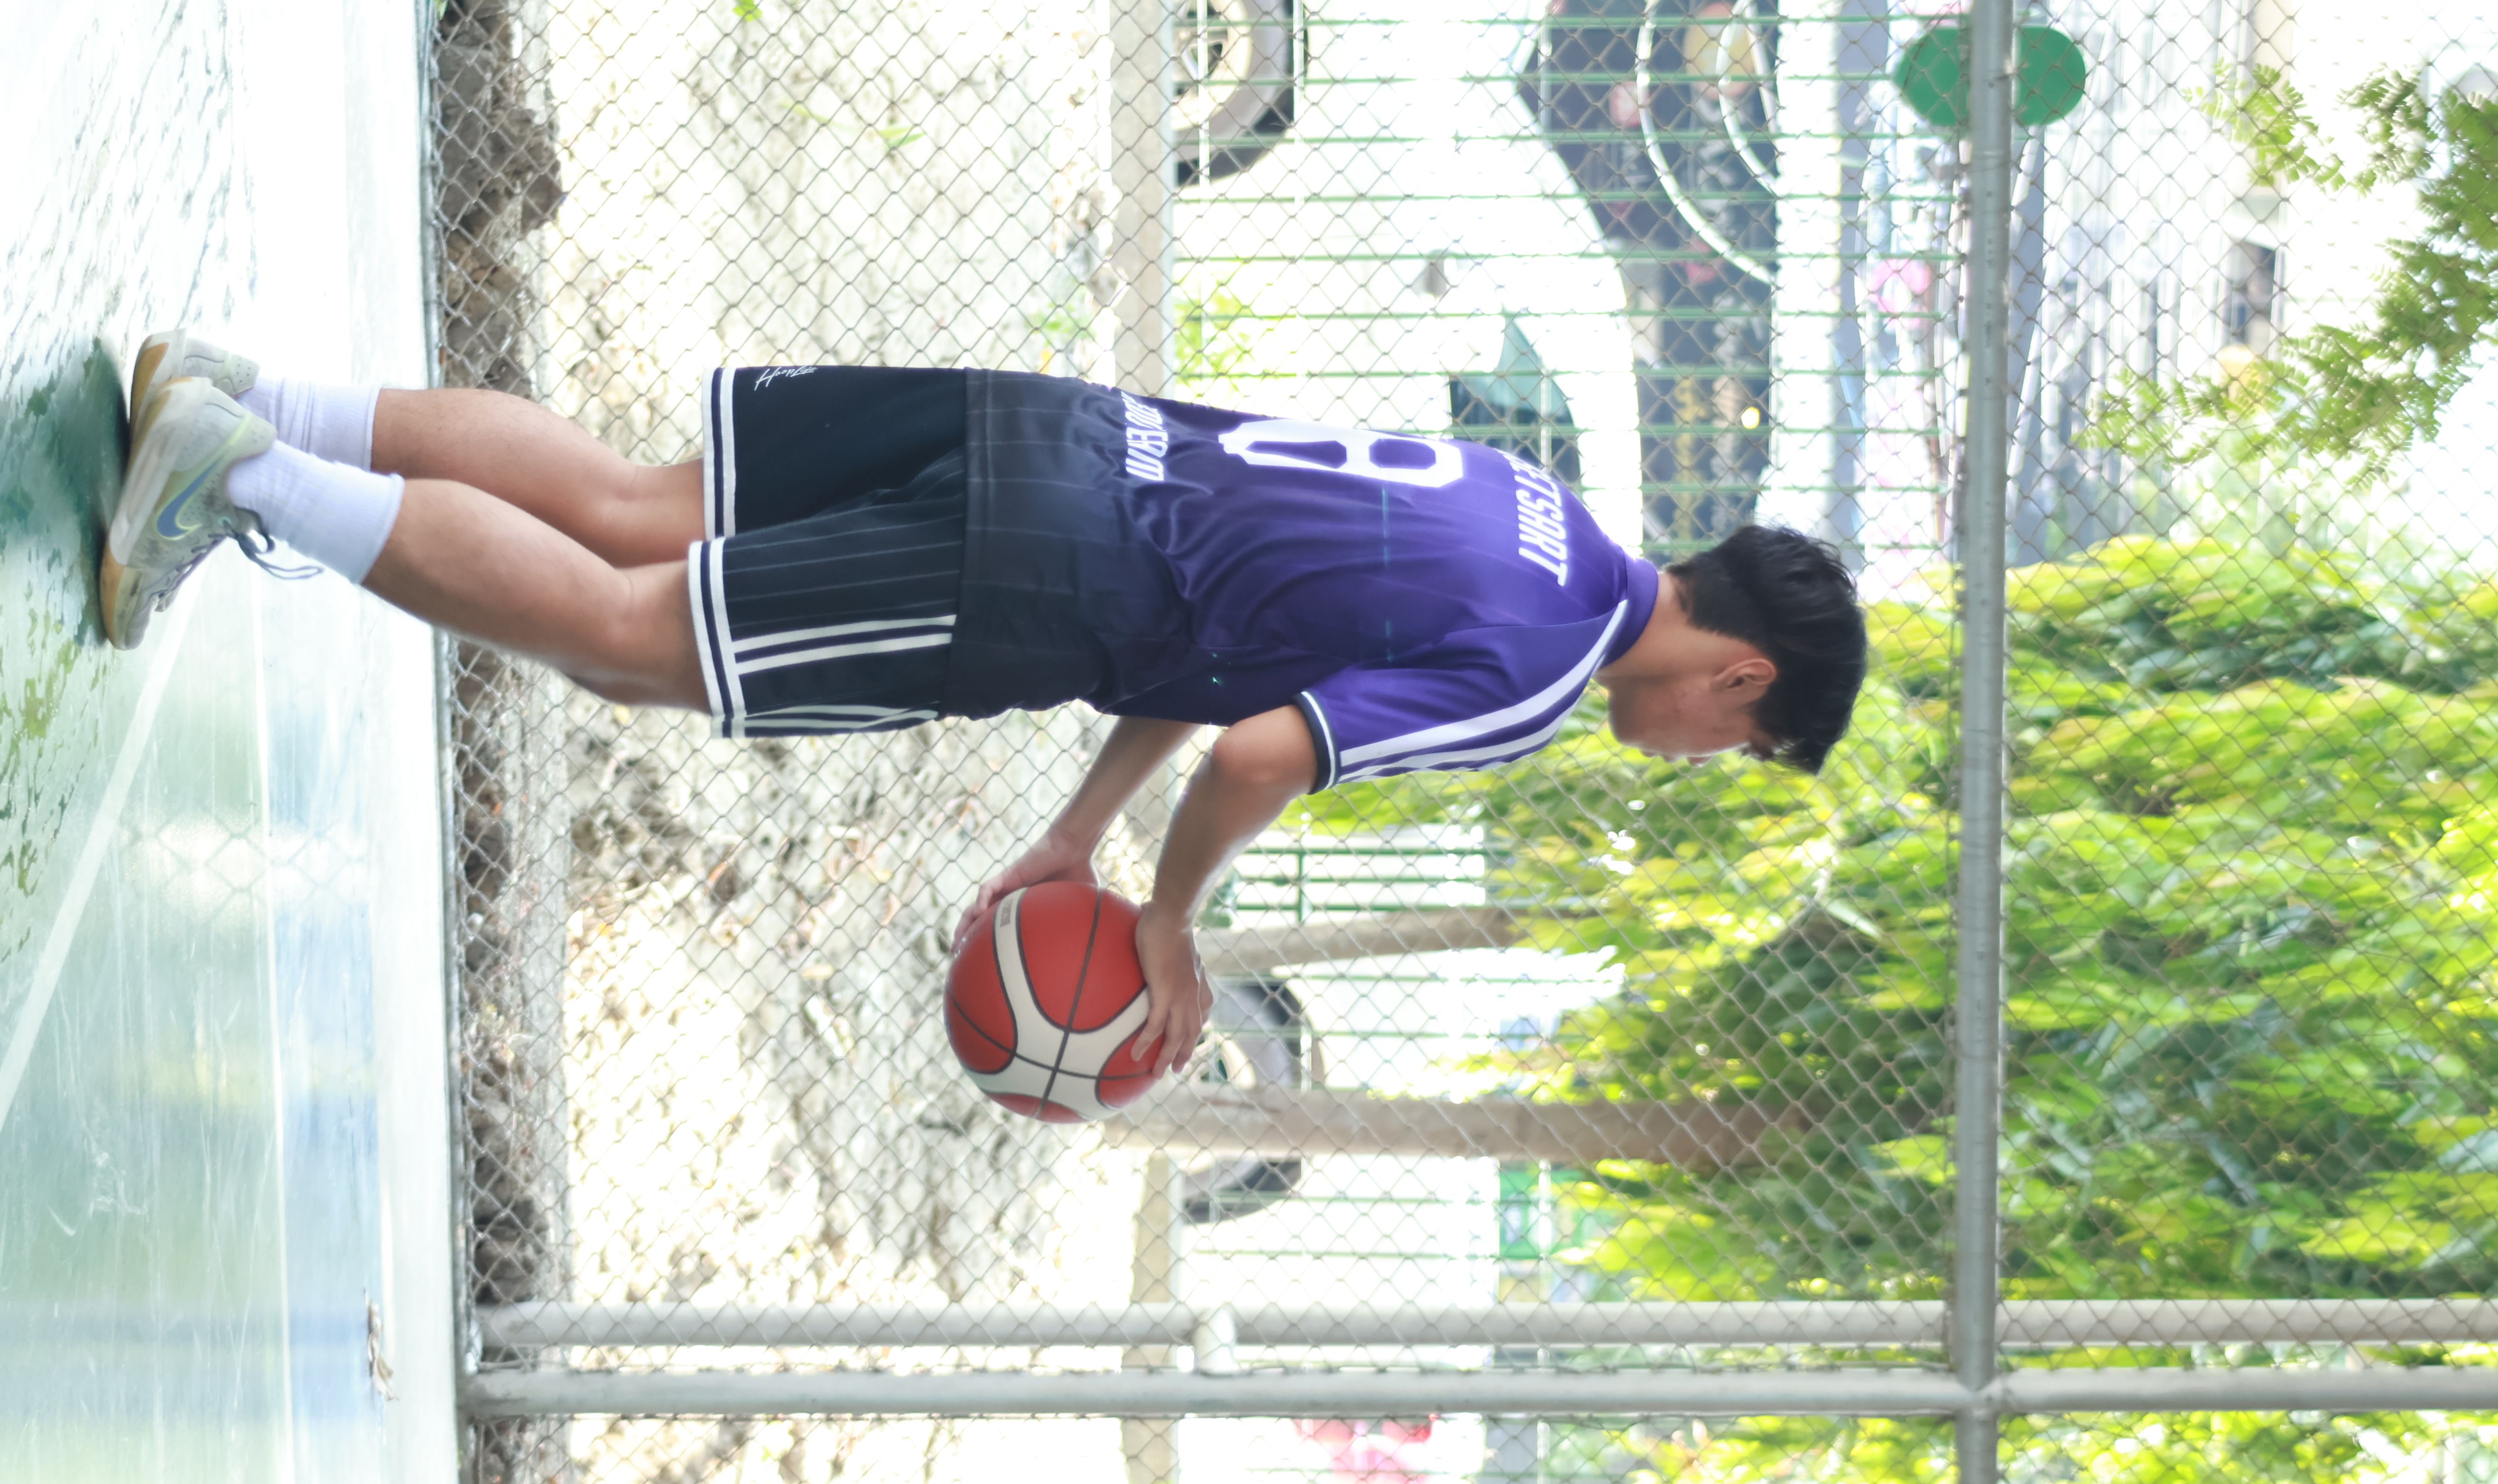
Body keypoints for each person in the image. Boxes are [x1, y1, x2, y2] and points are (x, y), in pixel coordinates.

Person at [104, 333, 1869, 1069]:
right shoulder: (1544, 675)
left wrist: (1078, 832)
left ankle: (254, 397)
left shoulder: (1531, 501)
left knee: (641, 507)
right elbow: (1266, 745)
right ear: (1742, 675)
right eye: (1741, 740)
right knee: (634, 639)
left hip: (1062, 433)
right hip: (1046, 576)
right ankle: (234, 471)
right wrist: (1169, 920)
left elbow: (1243, 645)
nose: (1703, 754)